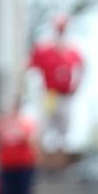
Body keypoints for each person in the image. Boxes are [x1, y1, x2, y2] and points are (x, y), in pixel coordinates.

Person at [27, 15, 83, 169]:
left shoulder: (72, 50)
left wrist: (77, 86)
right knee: (45, 126)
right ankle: (43, 161)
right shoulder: (44, 49)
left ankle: (60, 162)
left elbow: (81, 69)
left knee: (63, 130)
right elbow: (31, 70)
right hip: (50, 94)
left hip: (65, 95)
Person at [0, 99, 37, 194]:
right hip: (6, 164)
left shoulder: (26, 122)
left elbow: (31, 140)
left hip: (23, 165)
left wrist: (19, 132)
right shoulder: (3, 122)